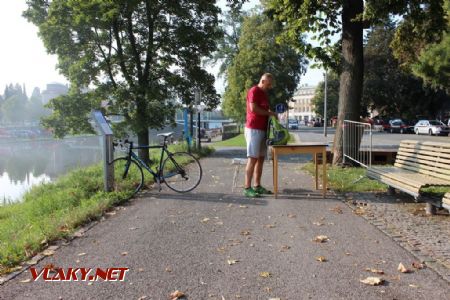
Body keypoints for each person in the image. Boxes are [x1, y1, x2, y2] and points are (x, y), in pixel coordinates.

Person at [243, 73, 278, 197]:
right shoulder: (254, 91)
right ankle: (247, 187)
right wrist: (269, 113)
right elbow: (253, 109)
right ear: (262, 81)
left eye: (270, 85)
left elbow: (264, 110)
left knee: (261, 159)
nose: (269, 87)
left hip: (263, 129)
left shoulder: (263, 93)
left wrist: (271, 113)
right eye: (268, 84)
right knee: (252, 158)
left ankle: (257, 185)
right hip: (253, 128)